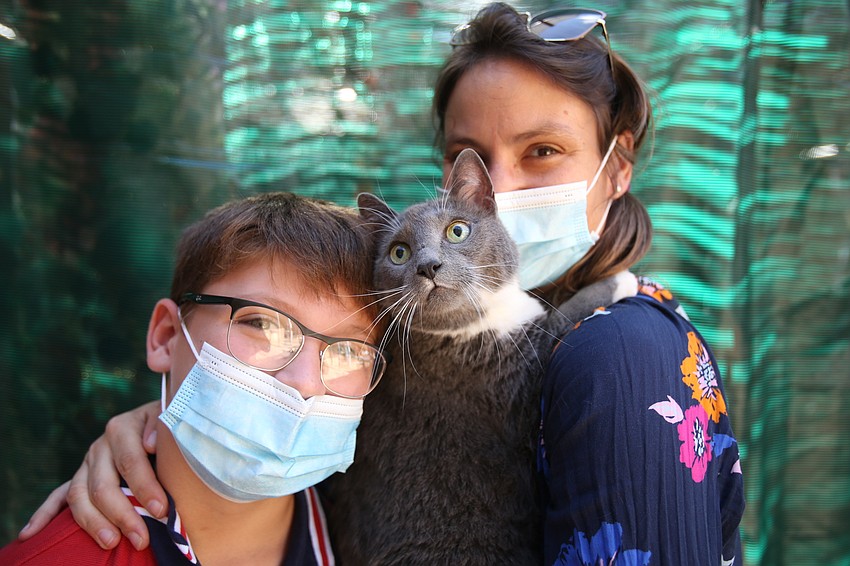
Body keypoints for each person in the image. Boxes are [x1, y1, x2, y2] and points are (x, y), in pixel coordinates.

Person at [19, 3, 746, 564]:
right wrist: (157, 430)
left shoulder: (620, 354)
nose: (501, 183)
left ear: (617, 169)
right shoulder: (420, 330)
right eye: (472, 155)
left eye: (544, 151)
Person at [2, 192, 388, 565]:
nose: (305, 382)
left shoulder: (374, 541)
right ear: (166, 336)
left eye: (352, 351)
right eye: (262, 323)